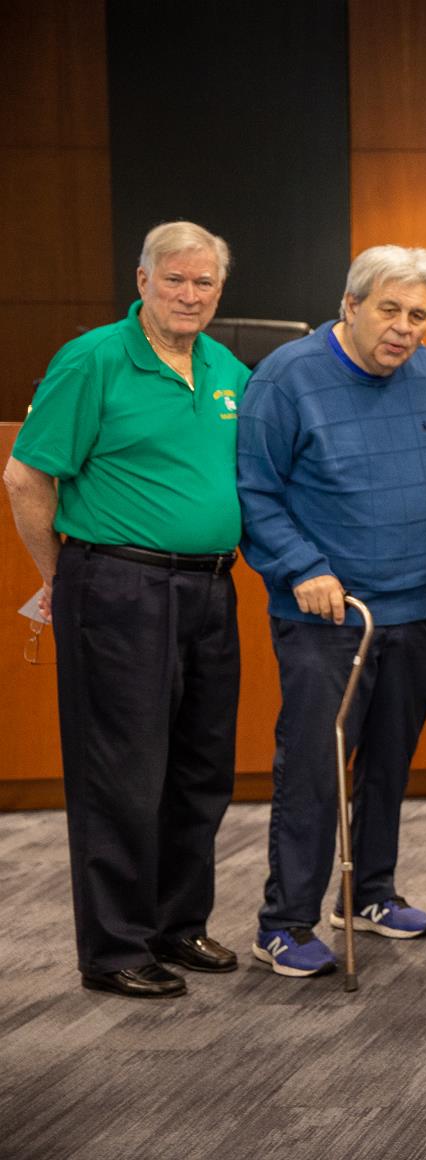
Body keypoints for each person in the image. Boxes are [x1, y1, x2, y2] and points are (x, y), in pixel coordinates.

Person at [3, 221, 250, 998]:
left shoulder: (227, 367)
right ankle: (115, 948)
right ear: (140, 281)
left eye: (203, 282)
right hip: (117, 586)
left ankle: (179, 926)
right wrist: (64, 578)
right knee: (122, 775)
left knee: (200, 769)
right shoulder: (93, 359)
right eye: (173, 279)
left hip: (211, 588)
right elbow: (24, 479)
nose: (189, 294)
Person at [237, 245, 426, 978]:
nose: (404, 329)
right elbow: (253, 490)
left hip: (414, 610)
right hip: (328, 620)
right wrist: (301, 566)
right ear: (350, 305)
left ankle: (368, 894)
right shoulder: (287, 377)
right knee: (314, 769)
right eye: (389, 310)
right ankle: (284, 922)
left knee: (388, 766)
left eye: (419, 316)